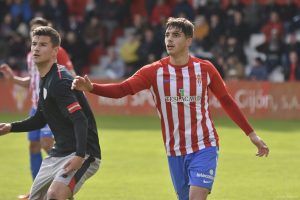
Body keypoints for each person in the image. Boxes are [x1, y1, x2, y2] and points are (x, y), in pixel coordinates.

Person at [72, 17, 269, 200]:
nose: (169, 39)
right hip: (174, 150)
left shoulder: (205, 69)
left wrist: (251, 134)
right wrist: (91, 88)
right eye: (167, 35)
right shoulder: (153, 71)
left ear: (189, 40)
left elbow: (227, 101)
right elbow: (122, 89)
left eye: (176, 35)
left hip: (204, 145)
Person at [0, 26, 101, 199]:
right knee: (36, 197)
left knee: (55, 195)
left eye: (43, 45)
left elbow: (80, 120)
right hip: (58, 153)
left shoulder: (60, 81)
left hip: (83, 153)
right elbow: (40, 119)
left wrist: (79, 156)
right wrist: (10, 127)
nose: (37, 48)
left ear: (55, 51)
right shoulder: (45, 79)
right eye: (34, 44)